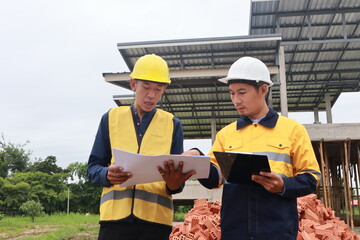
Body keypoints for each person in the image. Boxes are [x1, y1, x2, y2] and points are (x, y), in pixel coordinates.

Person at [187, 56, 321, 240]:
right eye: (232, 93)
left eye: (242, 92)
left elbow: (311, 178)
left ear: (263, 89)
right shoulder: (226, 134)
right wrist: (197, 159)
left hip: (277, 231)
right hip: (235, 231)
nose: (236, 100)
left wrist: (283, 185)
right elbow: (214, 179)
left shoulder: (292, 130)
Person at [87, 54, 195, 240]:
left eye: (158, 89)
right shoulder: (111, 118)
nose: (151, 95)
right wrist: (106, 174)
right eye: (146, 87)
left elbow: (177, 184)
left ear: (164, 89)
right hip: (114, 223)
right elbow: (92, 168)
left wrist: (175, 183)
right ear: (133, 84)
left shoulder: (172, 124)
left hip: (156, 224)